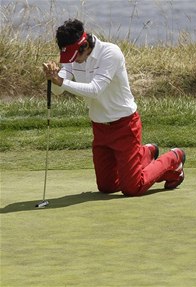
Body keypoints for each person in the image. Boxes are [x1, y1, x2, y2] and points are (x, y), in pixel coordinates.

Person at [42, 19, 185, 196]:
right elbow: (57, 91)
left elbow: (95, 90)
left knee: (133, 188)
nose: (73, 61)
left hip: (124, 125)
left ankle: (174, 159)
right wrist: (53, 78)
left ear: (84, 45)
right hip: (100, 128)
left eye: (75, 56)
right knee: (107, 186)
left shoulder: (110, 53)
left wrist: (61, 81)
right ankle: (146, 153)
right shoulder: (74, 56)